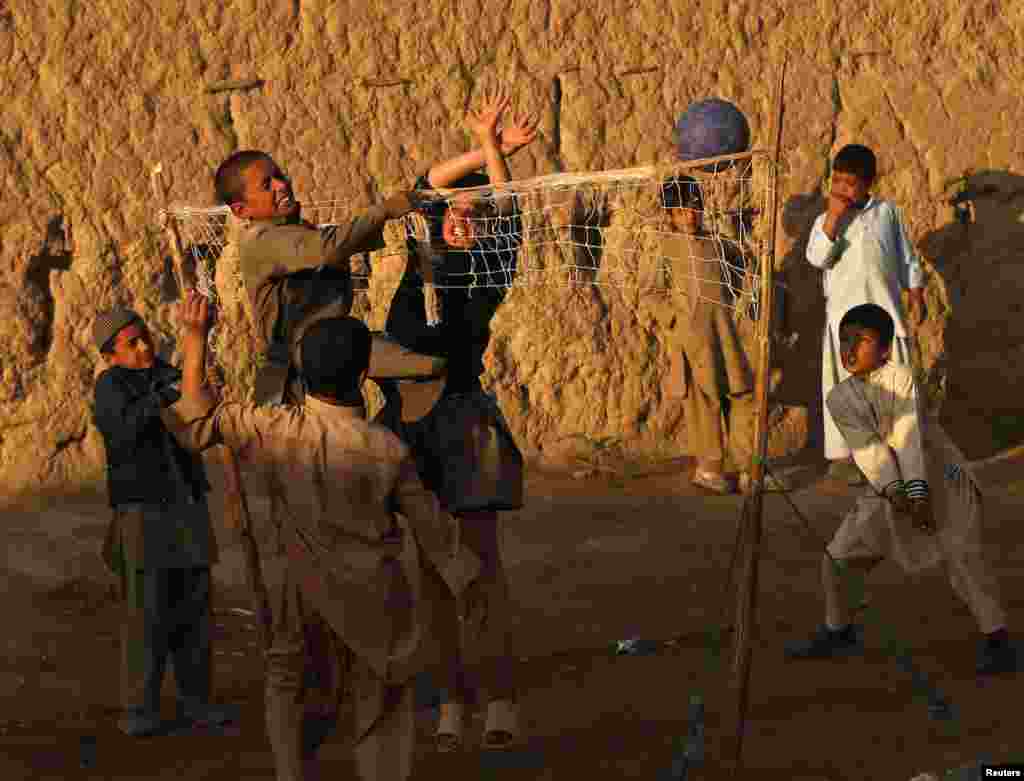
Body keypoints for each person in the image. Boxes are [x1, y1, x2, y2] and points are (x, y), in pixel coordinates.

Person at [161, 291, 482, 780]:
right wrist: (468, 581)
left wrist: (193, 339)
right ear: (361, 378)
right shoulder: (387, 448)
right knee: (381, 701)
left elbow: (196, 421)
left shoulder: (272, 428)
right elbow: (435, 532)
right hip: (375, 598)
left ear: (303, 375)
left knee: (288, 683)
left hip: (297, 593)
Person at [378, 86, 537, 751]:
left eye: (472, 213)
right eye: (453, 210)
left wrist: (498, 161)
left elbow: (509, 210)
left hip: (465, 426)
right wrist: (484, 140)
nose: (461, 218)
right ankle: (448, 702)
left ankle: (499, 700)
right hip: (411, 430)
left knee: (480, 566)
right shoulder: (420, 266)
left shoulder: (486, 272)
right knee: (430, 574)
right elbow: (424, 183)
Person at [784, 304, 1016, 676]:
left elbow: (908, 442)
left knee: (964, 556)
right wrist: (898, 493)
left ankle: (998, 639)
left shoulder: (902, 378)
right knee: (837, 559)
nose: (850, 349)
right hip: (888, 489)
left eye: (862, 341)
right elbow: (870, 452)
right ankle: (838, 629)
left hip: (940, 478)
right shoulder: (839, 398)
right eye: (845, 340)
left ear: (886, 350)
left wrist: (919, 494)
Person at [92, 306, 239, 736]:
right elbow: (121, 431)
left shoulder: (168, 373)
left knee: (193, 610)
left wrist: (193, 366)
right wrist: (163, 395)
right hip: (142, 510)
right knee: (146, 614)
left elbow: (199, 412)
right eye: (131, 343)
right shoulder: (111, 385)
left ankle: (197, 703)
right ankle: (140, 708)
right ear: (109, 355)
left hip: (187, 503)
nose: (144, 347)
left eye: (145, 338)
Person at [212, 149, 446, 406]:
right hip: (311, 358)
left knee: (425, 369)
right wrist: (385, 211)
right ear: (241, 210)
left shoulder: (295, 230)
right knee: (430, 367)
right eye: (267, 185)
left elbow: (339, 243)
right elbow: (329, 248)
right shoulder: (262, 240)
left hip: (332, 346)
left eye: (279, 175)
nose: (282, 185)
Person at [806, 144, 927, 485]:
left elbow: (906, 257)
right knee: (846, 387)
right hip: (845, 321)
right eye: (837, 181)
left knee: (891, 388)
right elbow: (817, 258)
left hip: (884, 315)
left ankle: (896, 452)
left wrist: (915, 291)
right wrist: (832, 219)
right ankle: (845, 457)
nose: (842, 189)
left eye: (850, 183)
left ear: (868, 183)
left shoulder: (887, 213)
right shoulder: (824, 221)